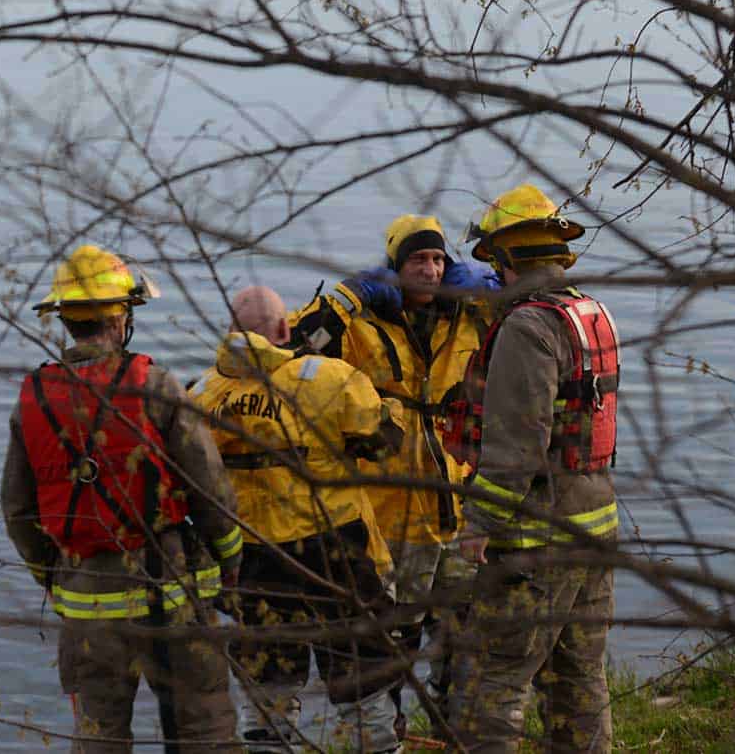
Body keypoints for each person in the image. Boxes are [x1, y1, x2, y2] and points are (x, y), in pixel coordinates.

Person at [1, 244, 245, 754]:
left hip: (85, 604)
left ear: (64, 319)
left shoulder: (34, 398)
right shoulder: (155, 386)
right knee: (204, 732)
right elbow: (210, 490)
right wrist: (230, 562)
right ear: (120, 318)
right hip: (170, 594)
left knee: (99, 737)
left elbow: (18, 511)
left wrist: (53, 575)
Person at [288, 215, 498, 735]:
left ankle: (458, 732)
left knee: (465, 632)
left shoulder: (466, 316)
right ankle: (392, 735)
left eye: (438, 260)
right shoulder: (362, 325)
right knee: (392, 638)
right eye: (417, 260)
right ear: (394, 267)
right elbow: (294, 351)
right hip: (388, 512)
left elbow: (529, 322)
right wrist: (346, 297)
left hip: (456, 504)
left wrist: (492, 287)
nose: (430, 270)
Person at [191, 286, 407, 753]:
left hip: (251, 557)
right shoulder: (331, 377)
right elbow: (383, 443)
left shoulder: (203, 393)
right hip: (334, 550)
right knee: (363, 675)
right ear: (284, 329)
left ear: (230, 331)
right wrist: (393, 408)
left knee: (267, 682)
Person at [448, 185, 621, 754]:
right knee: (579, 679)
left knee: (494, 680)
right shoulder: (591, 314)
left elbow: (518, 445)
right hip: (595, 525)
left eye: (495, 263)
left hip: (536, 539)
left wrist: (479, 524)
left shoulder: (527, 327)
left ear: (508, 258)